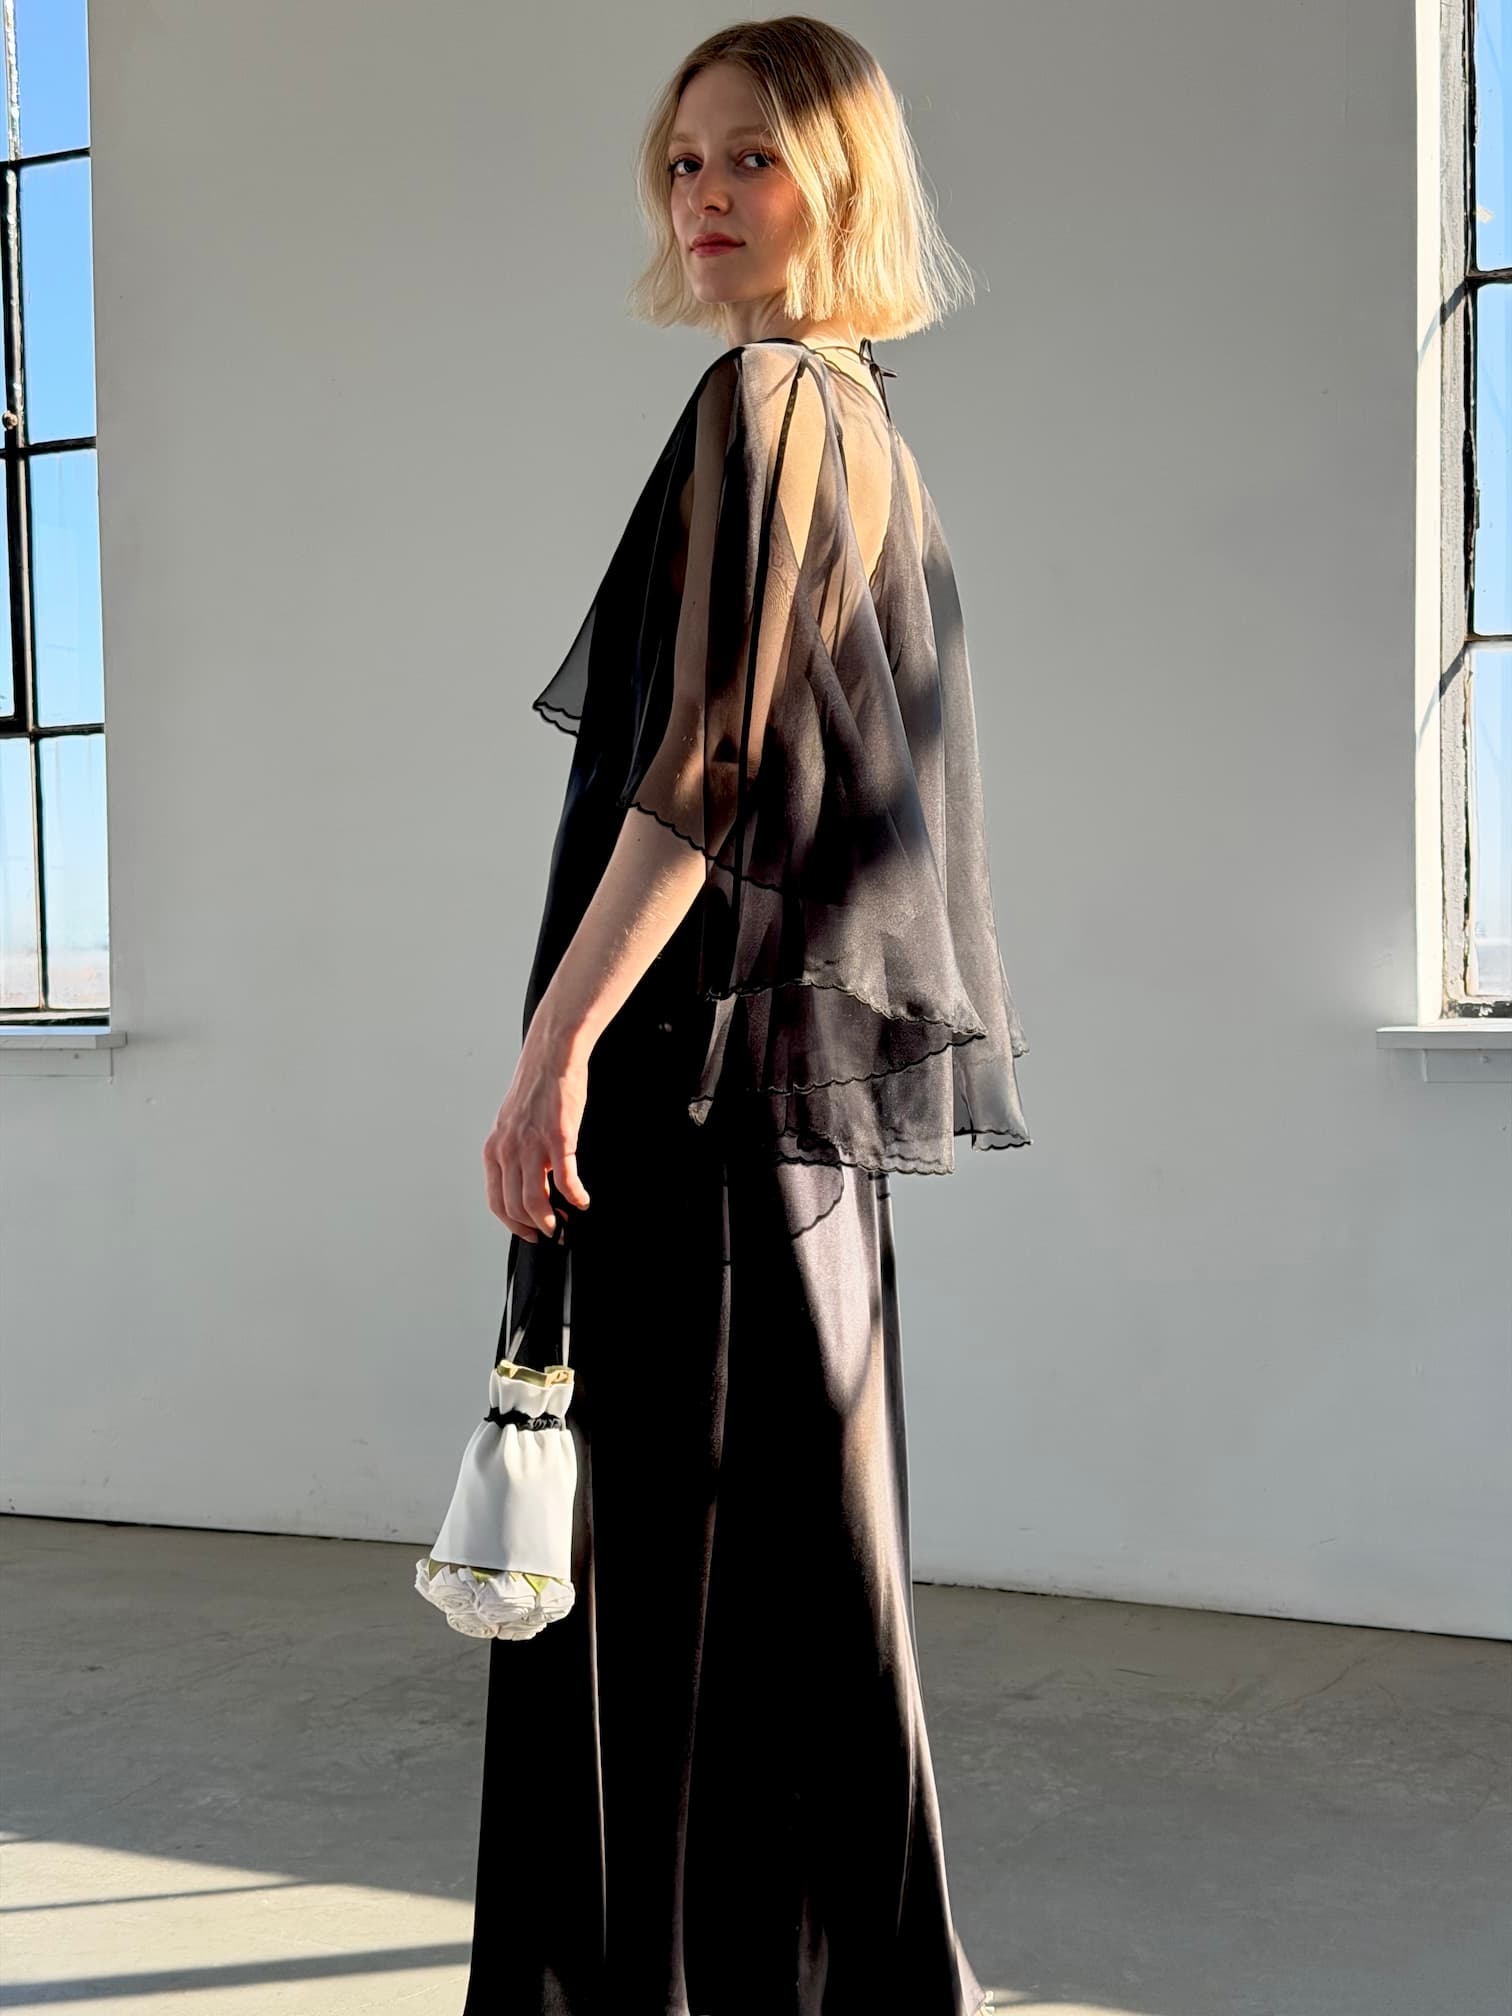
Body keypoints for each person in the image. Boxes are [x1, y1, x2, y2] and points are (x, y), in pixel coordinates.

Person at [466, 16, 1030, 2014]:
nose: (708, 197)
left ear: (844, 187)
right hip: (786, 1115)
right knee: (796, 1571)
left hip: (698, 1095)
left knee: (681, 1588)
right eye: (686, 161)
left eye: (756, 162)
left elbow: (701, 772)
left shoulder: (771, 401)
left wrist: (553, 1054)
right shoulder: (863, 418)